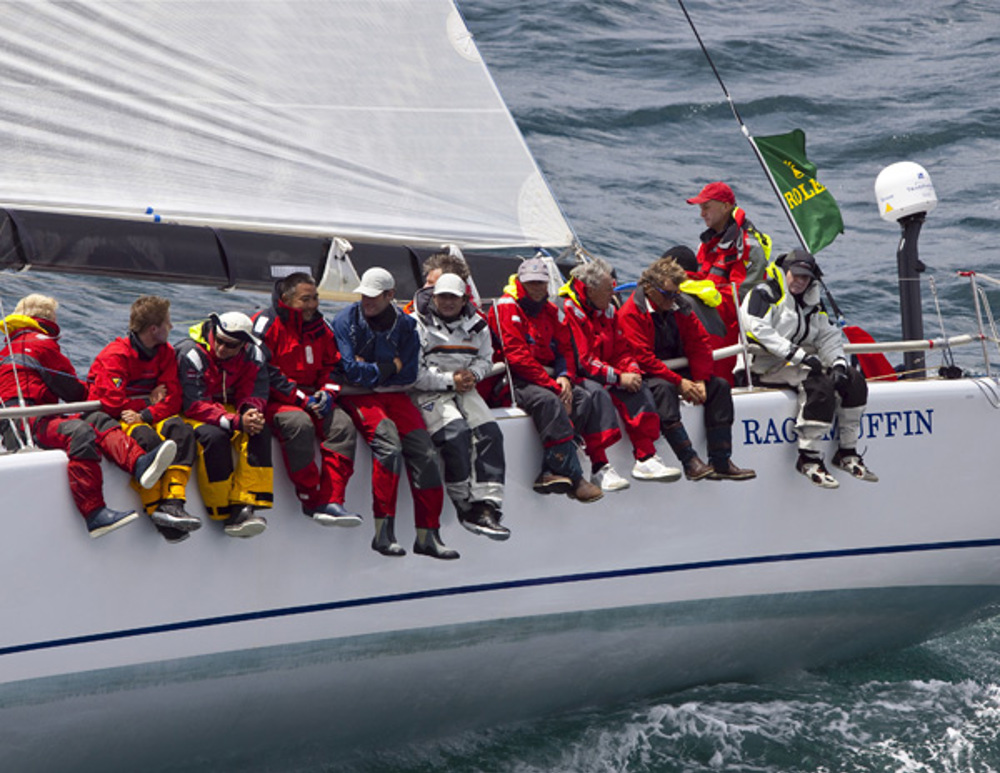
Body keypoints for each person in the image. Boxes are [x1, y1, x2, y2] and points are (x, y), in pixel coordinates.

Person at [0, 294, 176, 538]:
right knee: (82, 430)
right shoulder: (41, 343)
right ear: (47, 318)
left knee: (95, 420)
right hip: (28, 425)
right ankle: (95, 513)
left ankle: (140, 464)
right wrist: (113, 397)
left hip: (18, 424)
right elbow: (74, 392)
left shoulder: (10, 345)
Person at [332, 267, 458, 560]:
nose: (366, 301)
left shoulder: (405, 326)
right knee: (388, 446)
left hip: (395, 396)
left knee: (426, 454)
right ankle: (382, 534)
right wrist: (390, 367)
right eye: (363, 295)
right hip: (358, 397)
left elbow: (410, 374)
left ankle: (428, 535)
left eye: (374, 296)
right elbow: (350, 371)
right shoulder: (345, 320)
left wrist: (372, 371)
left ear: (390, 295)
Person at [739, 249, 876, 488]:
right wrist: (798, 355)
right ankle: (808, 458)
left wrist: (838, 364)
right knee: (818, 383)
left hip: (795, 362)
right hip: (762, 367)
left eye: (806, 277)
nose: (801, 281)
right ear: (785, 272)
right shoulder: (763, 294)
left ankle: (847, 452)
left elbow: (828, 335)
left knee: (853, 380)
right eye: (797, 275)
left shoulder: (813, 302)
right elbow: (757, 329)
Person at [618, 257, 756, 481]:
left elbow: (700, 343)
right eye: (668, 294)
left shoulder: (678, 306)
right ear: (649, 289)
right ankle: (689, 460)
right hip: (650, 374)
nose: (673, 299)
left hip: (674, 369)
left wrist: (700, 380)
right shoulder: (631, 313)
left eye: (676, 294)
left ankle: (720, 460)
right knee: (663, 390)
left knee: (719, 386)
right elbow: (642, 358)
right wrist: (679, 382)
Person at [487, 257, 607, 503]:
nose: (537, 288)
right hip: (512, 382)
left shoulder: (552, 311)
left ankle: (550, 471)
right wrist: (553, 386)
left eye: (541, 283)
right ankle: (576, 477)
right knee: (550, 401)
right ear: (521, 282)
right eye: (531, 283)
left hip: (544, 379)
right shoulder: (507, 307)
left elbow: (566, 350)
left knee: (582, 397)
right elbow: (517, 357)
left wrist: (564, 377)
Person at [557, 258, 681, 488]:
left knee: (639, 387)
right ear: (591, 290)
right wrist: (618, 377)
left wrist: (631, 370)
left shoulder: (608, 310)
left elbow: (621, 349)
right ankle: (599, 466)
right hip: (580, 376)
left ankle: (646, 457)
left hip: (606, 374)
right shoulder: (568, 309)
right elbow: (582, 360)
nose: (612, 294)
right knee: (596, 394)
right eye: (608, 290)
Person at [88, 296, 201, 543]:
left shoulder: (166, 353)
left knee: (181, 431)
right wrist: (148, 402)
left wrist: (148, 412)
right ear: (154, 329)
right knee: (146, 438)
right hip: (119, 419)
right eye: (168, 323)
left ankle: (174, 503)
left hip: (144, 414)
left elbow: (174, 398)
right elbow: (111, 403)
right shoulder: (115, 355)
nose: (171, 327)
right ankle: (155, 511)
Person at [252, 273, 361, 527]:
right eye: (306, 299)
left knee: (342, 427)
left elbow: (332, 366)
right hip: (275, 400)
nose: (313, 305)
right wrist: (300, 398)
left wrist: (328, 393)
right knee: (299, 424)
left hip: (313, 396)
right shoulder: (265, 324)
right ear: (286, 299)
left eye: (315, 298)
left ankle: (332, 501)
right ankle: (310, 497)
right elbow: (263, 369)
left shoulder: (322, 327)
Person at [410, 272, 509, 540]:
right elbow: (414, 374)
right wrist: (450, 380)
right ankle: (463, 503)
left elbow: (485, 359)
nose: (448, 302)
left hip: (465, 387)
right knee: (456, 433)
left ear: (464, 299)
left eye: (453, 297)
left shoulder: (478, 325)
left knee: (490, 432)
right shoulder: (415, 324)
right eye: (442, 296)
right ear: (433, 296)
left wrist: (473, 375)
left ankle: (487, 506)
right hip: (429, 390)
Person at [175, 311, 273, 536]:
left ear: (244, 345)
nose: (221, 349)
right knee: (214, 438)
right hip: (191, 411)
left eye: (230, 346)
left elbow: (254, 390)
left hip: (226, 408)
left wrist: (251, 413)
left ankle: (246, 504)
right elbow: (193, 404)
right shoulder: (190, 353)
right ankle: (222, 510)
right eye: (219, 341)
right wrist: (235, 421)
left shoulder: (254, 354)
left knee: (259, 429)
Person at [686, 182, 772, 381]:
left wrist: (693, 301)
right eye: (700, 208)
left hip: (728, 336)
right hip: (703, 327)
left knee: (717, 385)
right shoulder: (708, 243)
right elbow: (701, 278)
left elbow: (740, 300)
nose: (701, 214)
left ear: (725, 206)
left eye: (706, 207)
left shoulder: (748, 246)